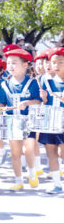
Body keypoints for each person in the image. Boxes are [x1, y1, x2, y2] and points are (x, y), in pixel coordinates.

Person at [0, 48, 41, 190]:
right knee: (15, 152)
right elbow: (2, 103)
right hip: (11, 122)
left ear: (25, 65)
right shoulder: (4, 85)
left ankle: (32, 173)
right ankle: (18, 180)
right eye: (8, 63)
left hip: (28, 121)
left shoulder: (32, 83)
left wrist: (27, 103)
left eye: (14, 63)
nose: (10, 66)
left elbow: (38, 101)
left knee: (28, 149)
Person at [39, 48, 64, 193]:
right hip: (49, 119)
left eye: (61, 62)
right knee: (51, 152)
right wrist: (42, 98)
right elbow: (40, 101)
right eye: (54, 62)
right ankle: (56, 183)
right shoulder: (44, 79)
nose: (56, 65)